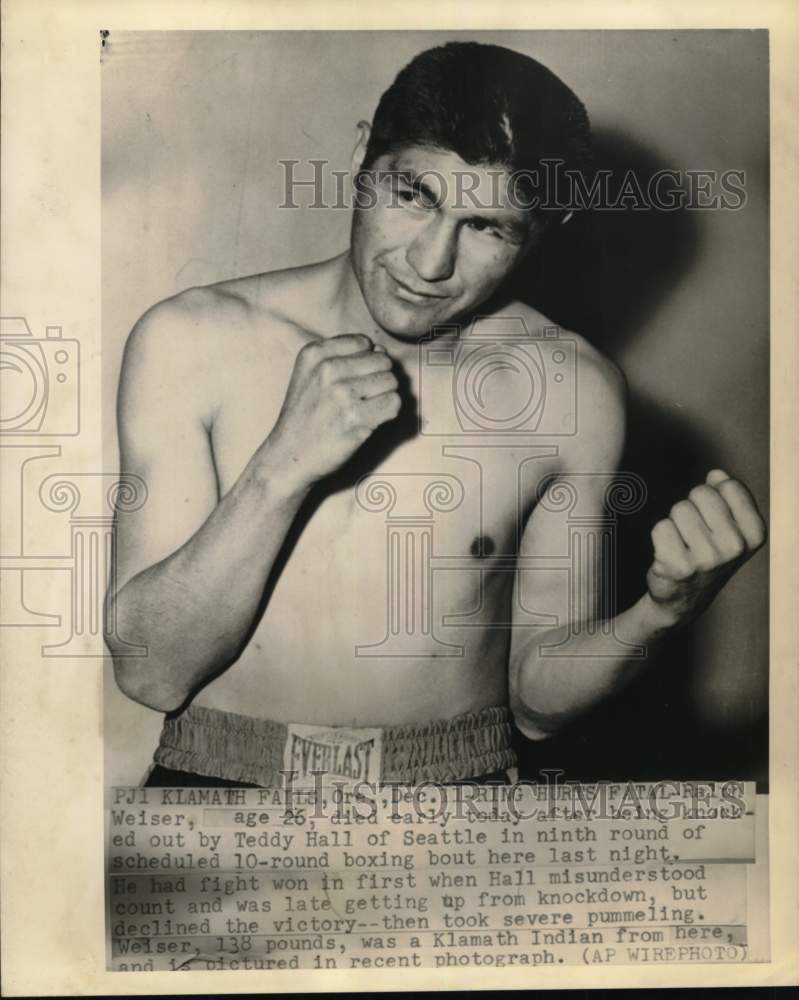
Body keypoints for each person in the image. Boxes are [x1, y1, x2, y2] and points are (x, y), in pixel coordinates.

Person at [106, 41, 766, 788]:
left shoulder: (570, 390)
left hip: (460, 798)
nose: (429, 263)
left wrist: (659, 614)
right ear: (363, 156)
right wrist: (280, 469)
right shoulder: (191, 338)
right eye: (414, 196)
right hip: (216, 781)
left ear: (549, 226)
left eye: (488, 227)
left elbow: (536, 707)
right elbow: (150, 674)